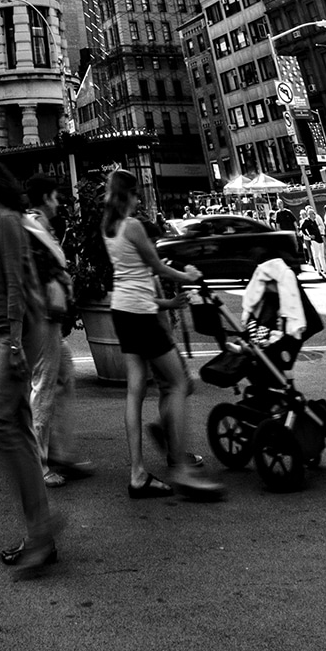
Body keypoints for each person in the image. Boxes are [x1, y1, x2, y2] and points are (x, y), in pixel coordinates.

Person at [103, 168, 223, 500]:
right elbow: (156, 266)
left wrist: (168, 299)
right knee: (180, 383)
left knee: (135, 390)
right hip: (141, 315)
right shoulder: (133, 225)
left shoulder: (108, 227)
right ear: (128, 194)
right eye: (137, 193)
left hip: (122, 311)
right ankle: (182, 471)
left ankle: (138, 473)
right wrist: (189, 275)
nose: (140, 199)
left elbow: (134, 273)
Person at [0, 153, 57, 575]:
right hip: (6, 334)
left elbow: (18, 286)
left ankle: (42, 529)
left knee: (0, 425)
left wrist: (16, 343)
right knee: (16, 428)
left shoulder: (6, 222)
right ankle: (40, 534)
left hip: (17, 335)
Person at [23, 174, 94, 487]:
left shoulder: (39, 226)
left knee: (64, 375)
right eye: (55, 197)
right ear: (45, 197)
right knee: (44, 386)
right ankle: (39, 463)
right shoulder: (32, 227)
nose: (59, 203)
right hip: (42, 317)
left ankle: (60, 454)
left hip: (47, 317)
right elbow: (37, 273)